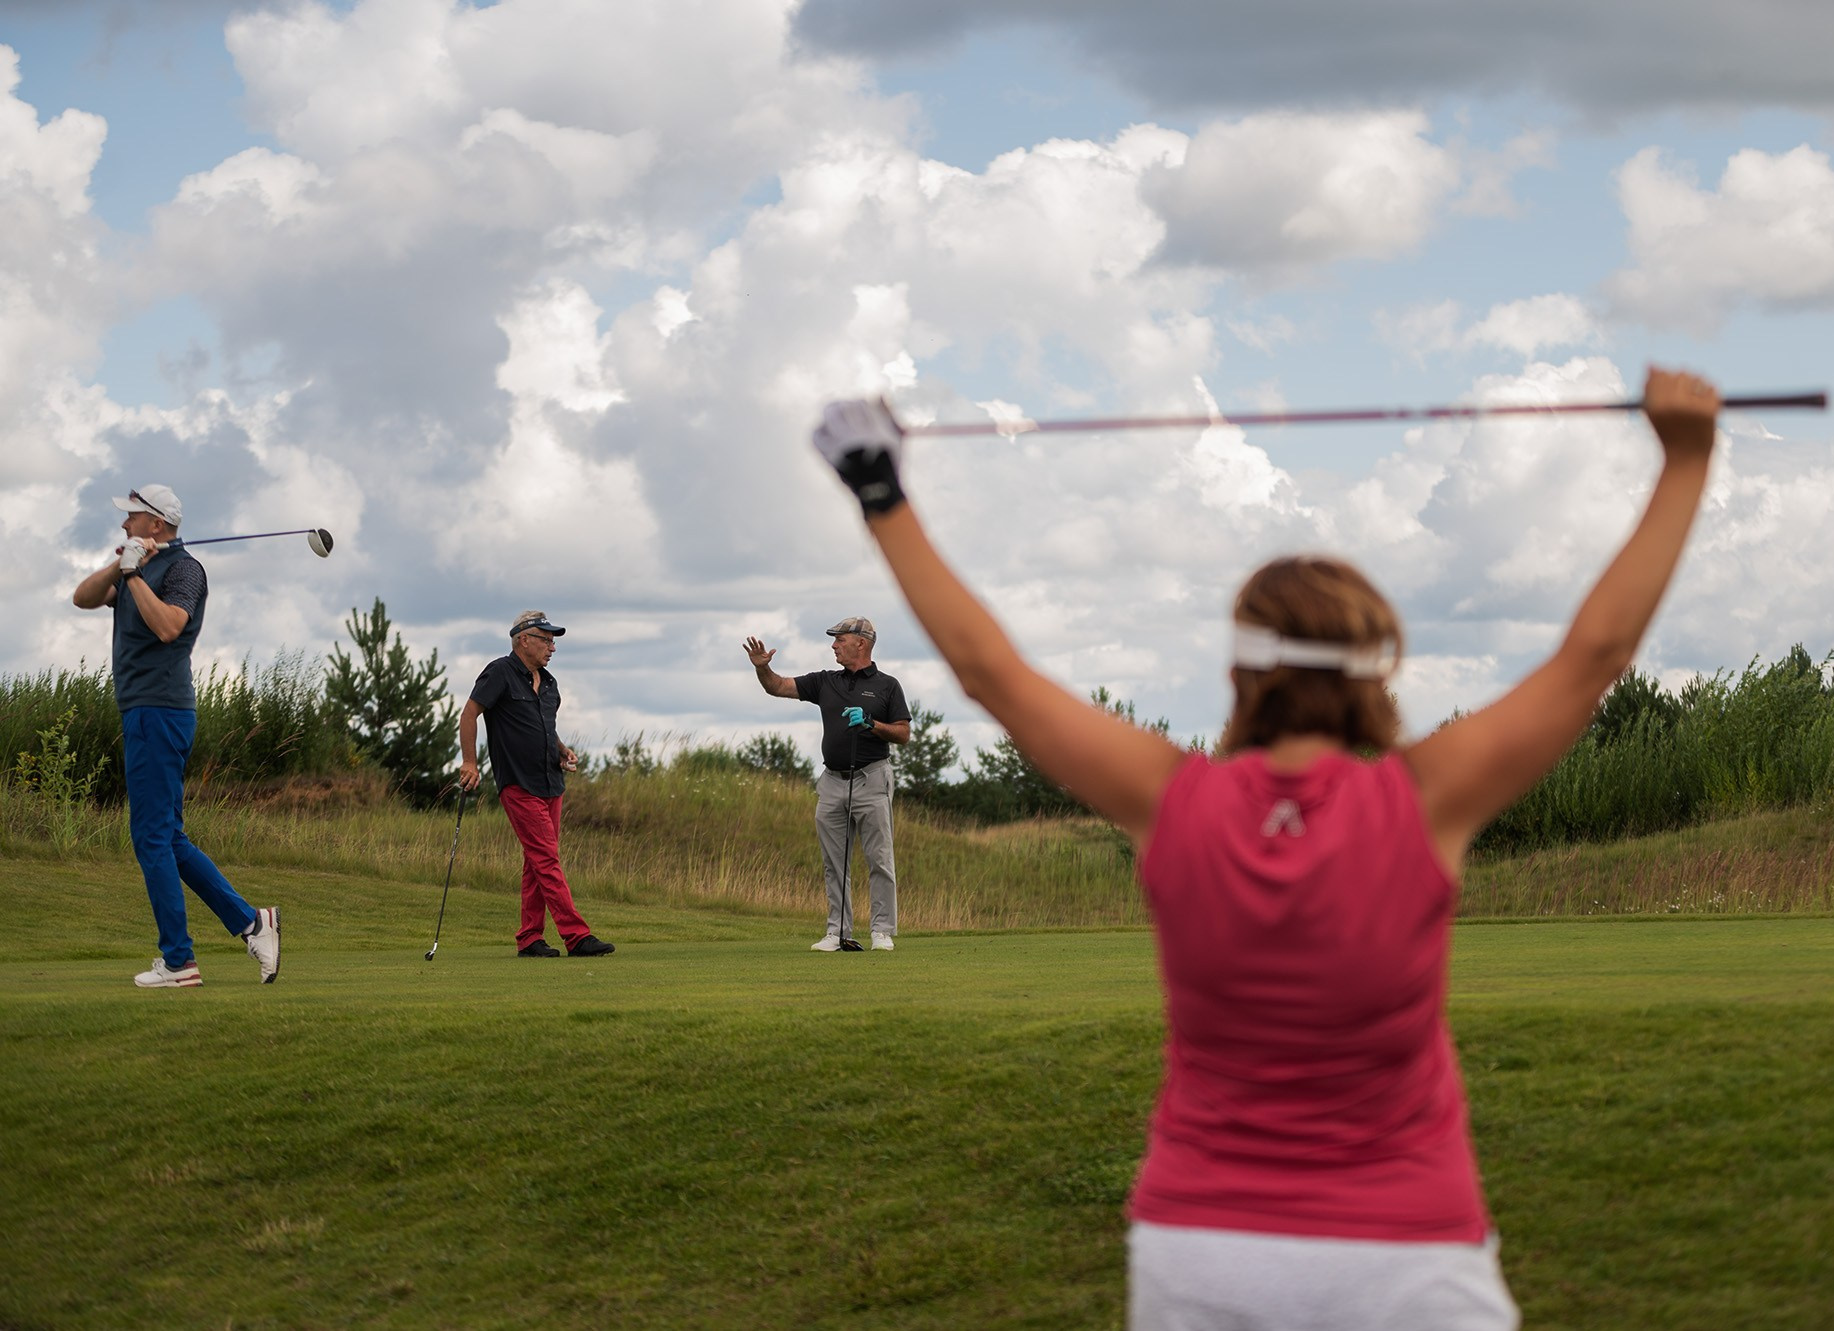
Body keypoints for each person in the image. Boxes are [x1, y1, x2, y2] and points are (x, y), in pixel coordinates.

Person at [806, 371, 1721, 1330]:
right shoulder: (1423, 800)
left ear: (1240, 670)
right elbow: (1594, 654)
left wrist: (880, 488)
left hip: (1205, 1253)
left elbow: (990, 670)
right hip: (1409, 1249)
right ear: (1378, 670)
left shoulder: (1173, 798)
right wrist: (1688, 457)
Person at [71, 484, 281, 989]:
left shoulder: (185, 570)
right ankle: (252, 923)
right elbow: (82, 598)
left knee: (150, 837)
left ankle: (180, 961)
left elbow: (168, 626)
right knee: (167, 837)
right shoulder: (138, 565)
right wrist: (122, 565)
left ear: (157, 524)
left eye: (132, 517)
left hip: (159, 710)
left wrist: (133, 576)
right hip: (144, 710)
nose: (124, 524)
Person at [742, 617, 912, 951]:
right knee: (834, 863)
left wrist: (871, 723)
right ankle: (838, 932)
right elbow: (777, 686)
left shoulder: (887, 685)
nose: (833, 645)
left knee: (879, 859)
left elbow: (903, 733)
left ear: (861, 643)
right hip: (832, 781)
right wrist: (762, 668)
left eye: (840, 640)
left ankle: (881, 931)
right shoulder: (825, 682)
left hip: (872, 779)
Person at [458, 610, 614, 959]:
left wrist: (561, 750)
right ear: (524, 640)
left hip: (551, 782)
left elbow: (544, 728)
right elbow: (469, 714)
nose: (552, 647)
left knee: (536, 862)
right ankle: (576, 936)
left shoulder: (550, 683)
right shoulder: (499, 672)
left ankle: (529, 938)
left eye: (553, 641)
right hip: (518, 783)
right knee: (546, 859)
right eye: (546, 640)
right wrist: (469, 762)